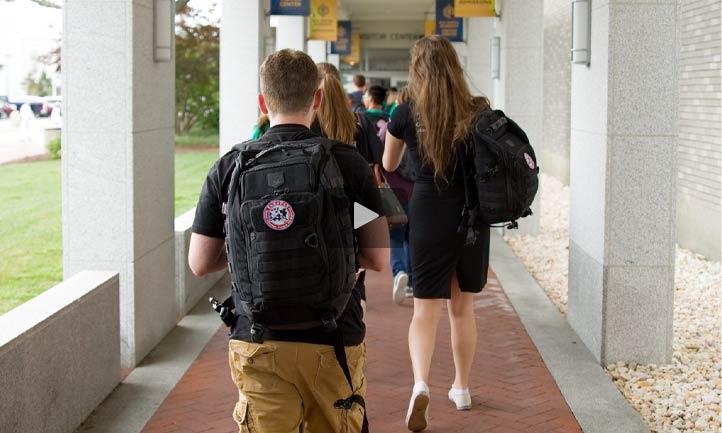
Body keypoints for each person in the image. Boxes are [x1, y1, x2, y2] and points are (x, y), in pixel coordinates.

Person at [189, 49, 389, 433]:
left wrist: (252, 249)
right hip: (332, 337)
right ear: (317, 98)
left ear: (263, 102)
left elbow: (200, 262)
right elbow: (378, 257)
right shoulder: (347, 165)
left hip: (257, 337)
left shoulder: (230, 167)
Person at [383, 35, 491, 432]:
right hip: (470, 216)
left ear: (417, 69)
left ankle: (420, 384)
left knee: (424, 308)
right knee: (461, 308)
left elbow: (388, 162)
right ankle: (461, 388)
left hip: (427, 211)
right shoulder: (477, 110)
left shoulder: (406, 111)